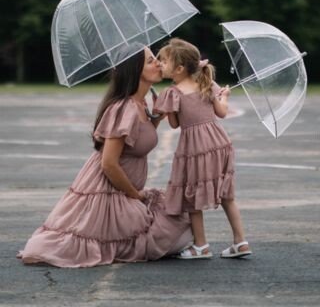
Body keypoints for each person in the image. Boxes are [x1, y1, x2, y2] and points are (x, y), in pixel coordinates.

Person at [17, 44, 192, 268]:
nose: (158, 63)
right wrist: (134, 196)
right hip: (110, 190)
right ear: (134, 69)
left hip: (125, 189)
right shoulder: (124, 108)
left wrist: (156, 117)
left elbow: (137, 141)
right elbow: (109, 164)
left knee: (179, 222)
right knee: (167, 233)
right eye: (150, 60)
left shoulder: (142, 103)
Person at [154, 38, 251, 259]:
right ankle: (241, 241)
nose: (160, 64)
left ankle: (201, 246)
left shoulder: (173, 93)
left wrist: (166, 109)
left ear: (179, 69)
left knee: (192, 196)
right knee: (227, 195)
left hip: (195, 147)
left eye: (164, 61)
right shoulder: (208, 84)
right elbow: (222, 113)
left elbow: (175, 124)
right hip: (219, 143)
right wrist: (224, 96)